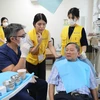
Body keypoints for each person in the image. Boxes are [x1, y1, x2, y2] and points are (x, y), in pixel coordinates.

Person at [0, 23, 47, 100]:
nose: (26, 38)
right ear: (12, 39)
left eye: (25, 35)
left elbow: (23, 67)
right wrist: (23, 55)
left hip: (21, 78)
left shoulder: (19, 48)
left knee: (42, 84)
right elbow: (12, 73)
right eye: (23, 36)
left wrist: (29, 75)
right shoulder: (2, 53)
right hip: (11, 85)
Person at [60, 7, 96, 76]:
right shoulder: (64, 29)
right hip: (65, 57)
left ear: (78, 18)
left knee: (84, 72)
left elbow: (84, 44)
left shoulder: (81, 29)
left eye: (73, 18)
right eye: (69, 17)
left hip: (76, 58)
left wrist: (82, 53)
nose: (71, 20)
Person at [26, 13, 60, 80]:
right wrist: (39, 43)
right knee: (33, 82)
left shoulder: (47, 32)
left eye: (44, 24)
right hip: (31, 62)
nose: (42, 27)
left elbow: (50, 45)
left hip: (41, 60)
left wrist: (55, 55)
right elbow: (32, 52)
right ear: (34, 24)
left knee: (42, 80)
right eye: (39, 24)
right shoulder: (29, 34)